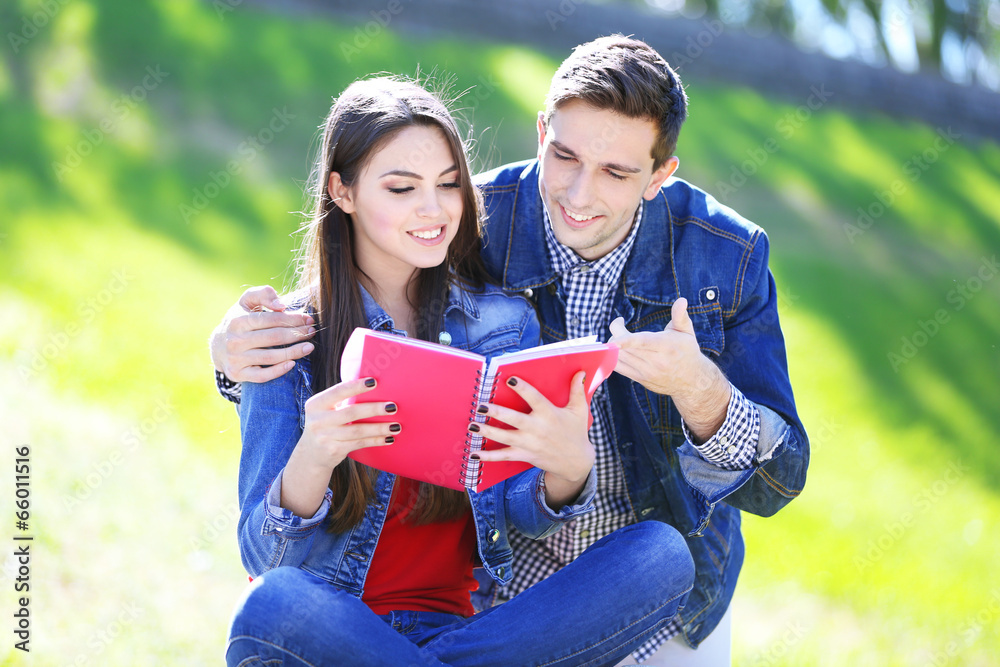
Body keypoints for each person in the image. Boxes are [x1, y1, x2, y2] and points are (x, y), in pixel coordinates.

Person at [214, 37, 809, 665]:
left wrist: (692, 394)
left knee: (663, 554)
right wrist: (237, 362)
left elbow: (779, 479)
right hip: (478, 604)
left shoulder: (716, 258)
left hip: (574, 608)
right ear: (541, 132)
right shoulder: (475, 223)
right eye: (566, 155)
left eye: (616, 172)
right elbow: (267, 556)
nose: (579, 195)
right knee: (274, 605)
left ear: (661, 175)